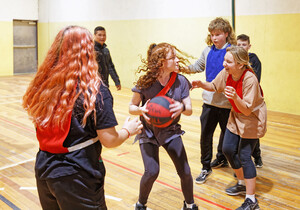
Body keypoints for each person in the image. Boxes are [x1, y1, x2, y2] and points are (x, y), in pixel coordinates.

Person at [22, 25, 143, 210]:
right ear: (88, 51)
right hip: (77, 175)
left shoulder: (44, 86)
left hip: (44, 170)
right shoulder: (94, 90)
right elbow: (109, 140)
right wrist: (128, 130)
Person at [192, 45, 267, 210]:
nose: (224, 64)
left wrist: (235, 97)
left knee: (245, 156)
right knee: (227, 148)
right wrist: (200, 84)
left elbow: (247, 109)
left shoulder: (250, 79)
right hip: (237, 115)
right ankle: (241, 183)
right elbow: (214, 86)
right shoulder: (227, 73)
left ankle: (251, 200)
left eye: (228, 61)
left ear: (240, 64)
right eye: (225, 60)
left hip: (251, 118)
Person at [129, 43, 198, 210]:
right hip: (148, 131)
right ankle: (141, 204)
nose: (177, 60)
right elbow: (131, 107)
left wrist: (181, 107)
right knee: (152, 171)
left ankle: (189, 205)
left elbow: (189, 109)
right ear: (161, 62)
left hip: (170, 131)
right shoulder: (145, 81)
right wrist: (141, 109)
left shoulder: (181, 80)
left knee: (185, 171)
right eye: (172, 57)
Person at [186, 17, 236, 184]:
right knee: (205, 136)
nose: (214, 38)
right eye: (212, 34)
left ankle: (235, 167)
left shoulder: (232, 51)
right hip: (209, 103)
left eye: (218, 34)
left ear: (226, 34)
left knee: (229, 138)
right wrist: (183, 68)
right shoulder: (207, 51)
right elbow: (198, 66)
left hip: (227, 104)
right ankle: (205, 167)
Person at [237, 34, 263, 168]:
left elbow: (255, 80)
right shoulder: (235, 60)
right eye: (239, 45)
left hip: (250, 100)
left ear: (249, 46)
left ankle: (257, 156)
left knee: (252, 129)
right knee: (240, 130)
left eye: (244, 44)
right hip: (238, 100)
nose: (241, 47)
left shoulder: (254, 59)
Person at [94, 26, 121, 90]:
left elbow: (110, 67)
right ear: (94, 35)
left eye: (104, 35)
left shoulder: (106, 50)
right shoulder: (91, 50)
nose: (102, 37)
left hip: (105, 83)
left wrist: (116, 81)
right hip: (94, 84)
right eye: (99, 35)